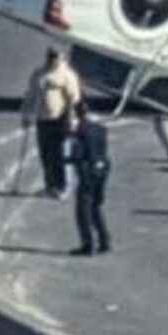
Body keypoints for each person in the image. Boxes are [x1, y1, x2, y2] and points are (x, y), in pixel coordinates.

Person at [21, 47, 82, 198]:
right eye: (50, 56)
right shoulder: (38, 75)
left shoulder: (67, 76)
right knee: (46, 155)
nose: (53, 60)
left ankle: (63, 187)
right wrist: (27, 115)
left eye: (56, 57)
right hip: (43, 120)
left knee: (60, 154)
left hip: (60, 120)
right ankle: (50, 186)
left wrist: (72, 119)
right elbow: (31, 96)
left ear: (61, 58)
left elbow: (74, 99)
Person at [69, 103, 111, 255]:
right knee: (96, 206)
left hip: (88, 171)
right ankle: (104, 240)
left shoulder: (80, 132)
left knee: (83, 209)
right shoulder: (100, 129)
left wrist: (69, 159)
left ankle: (88, 244)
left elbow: (79, 155)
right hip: (104, 168)